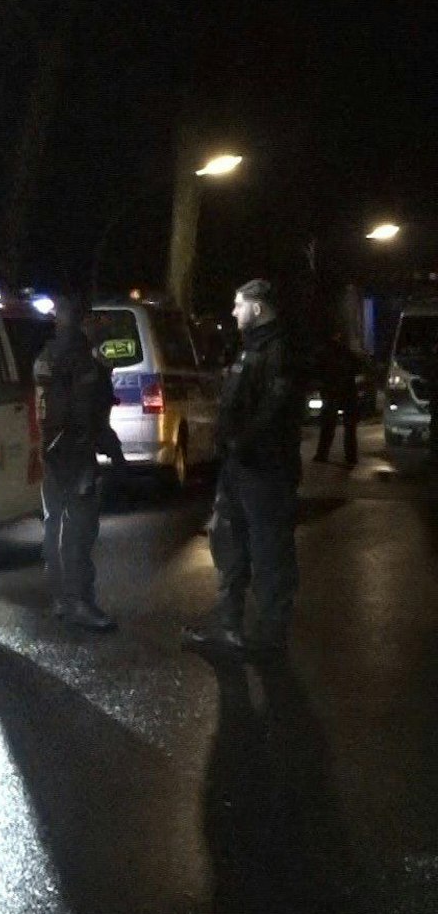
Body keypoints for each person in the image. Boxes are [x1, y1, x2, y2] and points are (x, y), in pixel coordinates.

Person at [184, 278, 304, 657]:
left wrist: (241, 440)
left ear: (257, 307)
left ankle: (271, 638)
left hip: (266, 469)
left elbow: (275, 409)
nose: (234, 312)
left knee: (270, 552)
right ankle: (228, 626)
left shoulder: (280, 350)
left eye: (239, 305)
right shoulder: (250, 348)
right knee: (229, 543)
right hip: (239, 467)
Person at [33, 292, 125, 632]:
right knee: (80, 529)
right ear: (81, 319)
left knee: (54, 525)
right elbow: (90, 417)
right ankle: (80, 602)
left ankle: (59, 598)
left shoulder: (46, 355)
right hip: (75, 453)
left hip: (51, 453)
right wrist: (114, 455)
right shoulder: (84, 362)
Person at [311, 330, 361, 466]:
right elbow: (359, 369)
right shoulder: (346, 353)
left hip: (333, 392)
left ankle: (323, 454)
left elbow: (317, 372)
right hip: (345, 392)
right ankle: (350, 457)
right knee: (348, 427)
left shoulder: (325, 353)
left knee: (329, 426)